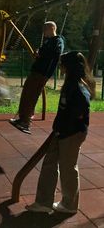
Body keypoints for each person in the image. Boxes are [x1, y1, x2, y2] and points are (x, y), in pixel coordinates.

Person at [26, 51, 95, 214]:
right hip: (63, 131)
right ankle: (44, 202)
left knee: (68, 167)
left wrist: (62, 130)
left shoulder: (78, 87)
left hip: (72, 133)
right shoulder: (71, 84)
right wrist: (59, 129)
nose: (60, 67)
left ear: (68, 66)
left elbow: (79, 112)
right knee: (50, 162)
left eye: (62, 64)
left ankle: (69, 205)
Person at [9, 21, 64, 134]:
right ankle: (22, 119)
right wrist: (38, 51)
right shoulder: (48, 41)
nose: (43, 32)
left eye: (45, 29)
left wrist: (41, 54)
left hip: (42, 73)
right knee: (26, 94)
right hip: (36, 71)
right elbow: (42, 51)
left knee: (32, 96)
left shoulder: (58, 41)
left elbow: (55, 54)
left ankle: (26, 123)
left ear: (52, 28)